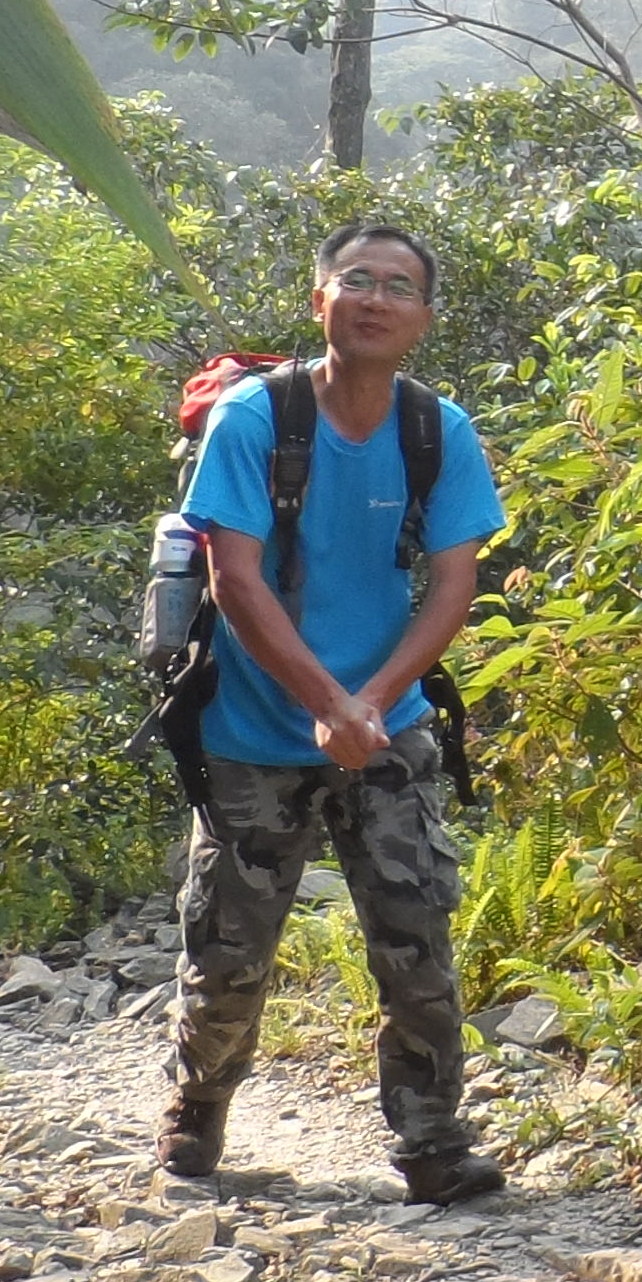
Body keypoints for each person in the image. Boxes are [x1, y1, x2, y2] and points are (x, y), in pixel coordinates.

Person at [161, 219, 510, 1205]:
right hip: (250, 732)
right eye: (354, 280)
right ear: (319, 300)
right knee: (229, 952)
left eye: (398, 287)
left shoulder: (437, 431)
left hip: (383, 718)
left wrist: (373, 704)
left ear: (424, 319)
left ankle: (433, 1140)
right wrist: (326, 702)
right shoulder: (253, 420)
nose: (374, 298)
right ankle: (197, 1104)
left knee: (417, 936)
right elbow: (234, 576)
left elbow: (452, 586)